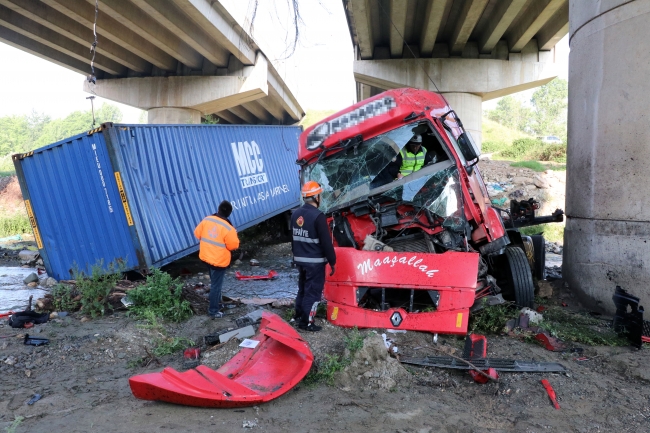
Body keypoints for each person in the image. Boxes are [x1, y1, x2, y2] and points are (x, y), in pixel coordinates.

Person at [291, 181, 336, 332]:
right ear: (316, 197)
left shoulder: (295, 214)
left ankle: (298, 316)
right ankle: (306, 323)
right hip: (315, 263)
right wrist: (333, 261)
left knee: (302, 289)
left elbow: (294, 239)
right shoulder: (318, 216)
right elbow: (326, 243)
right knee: (313, 292)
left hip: (300, 261)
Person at [194, 200, 239, 319]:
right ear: (229, 214)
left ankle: (218, 304)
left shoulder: (207, 220)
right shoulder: (229, 228)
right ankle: (213, 311)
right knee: (215, 285)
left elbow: (197, 234)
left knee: (214, 283)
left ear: (218, 209)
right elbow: (233, 246)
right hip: (218, 261)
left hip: (206, 257)